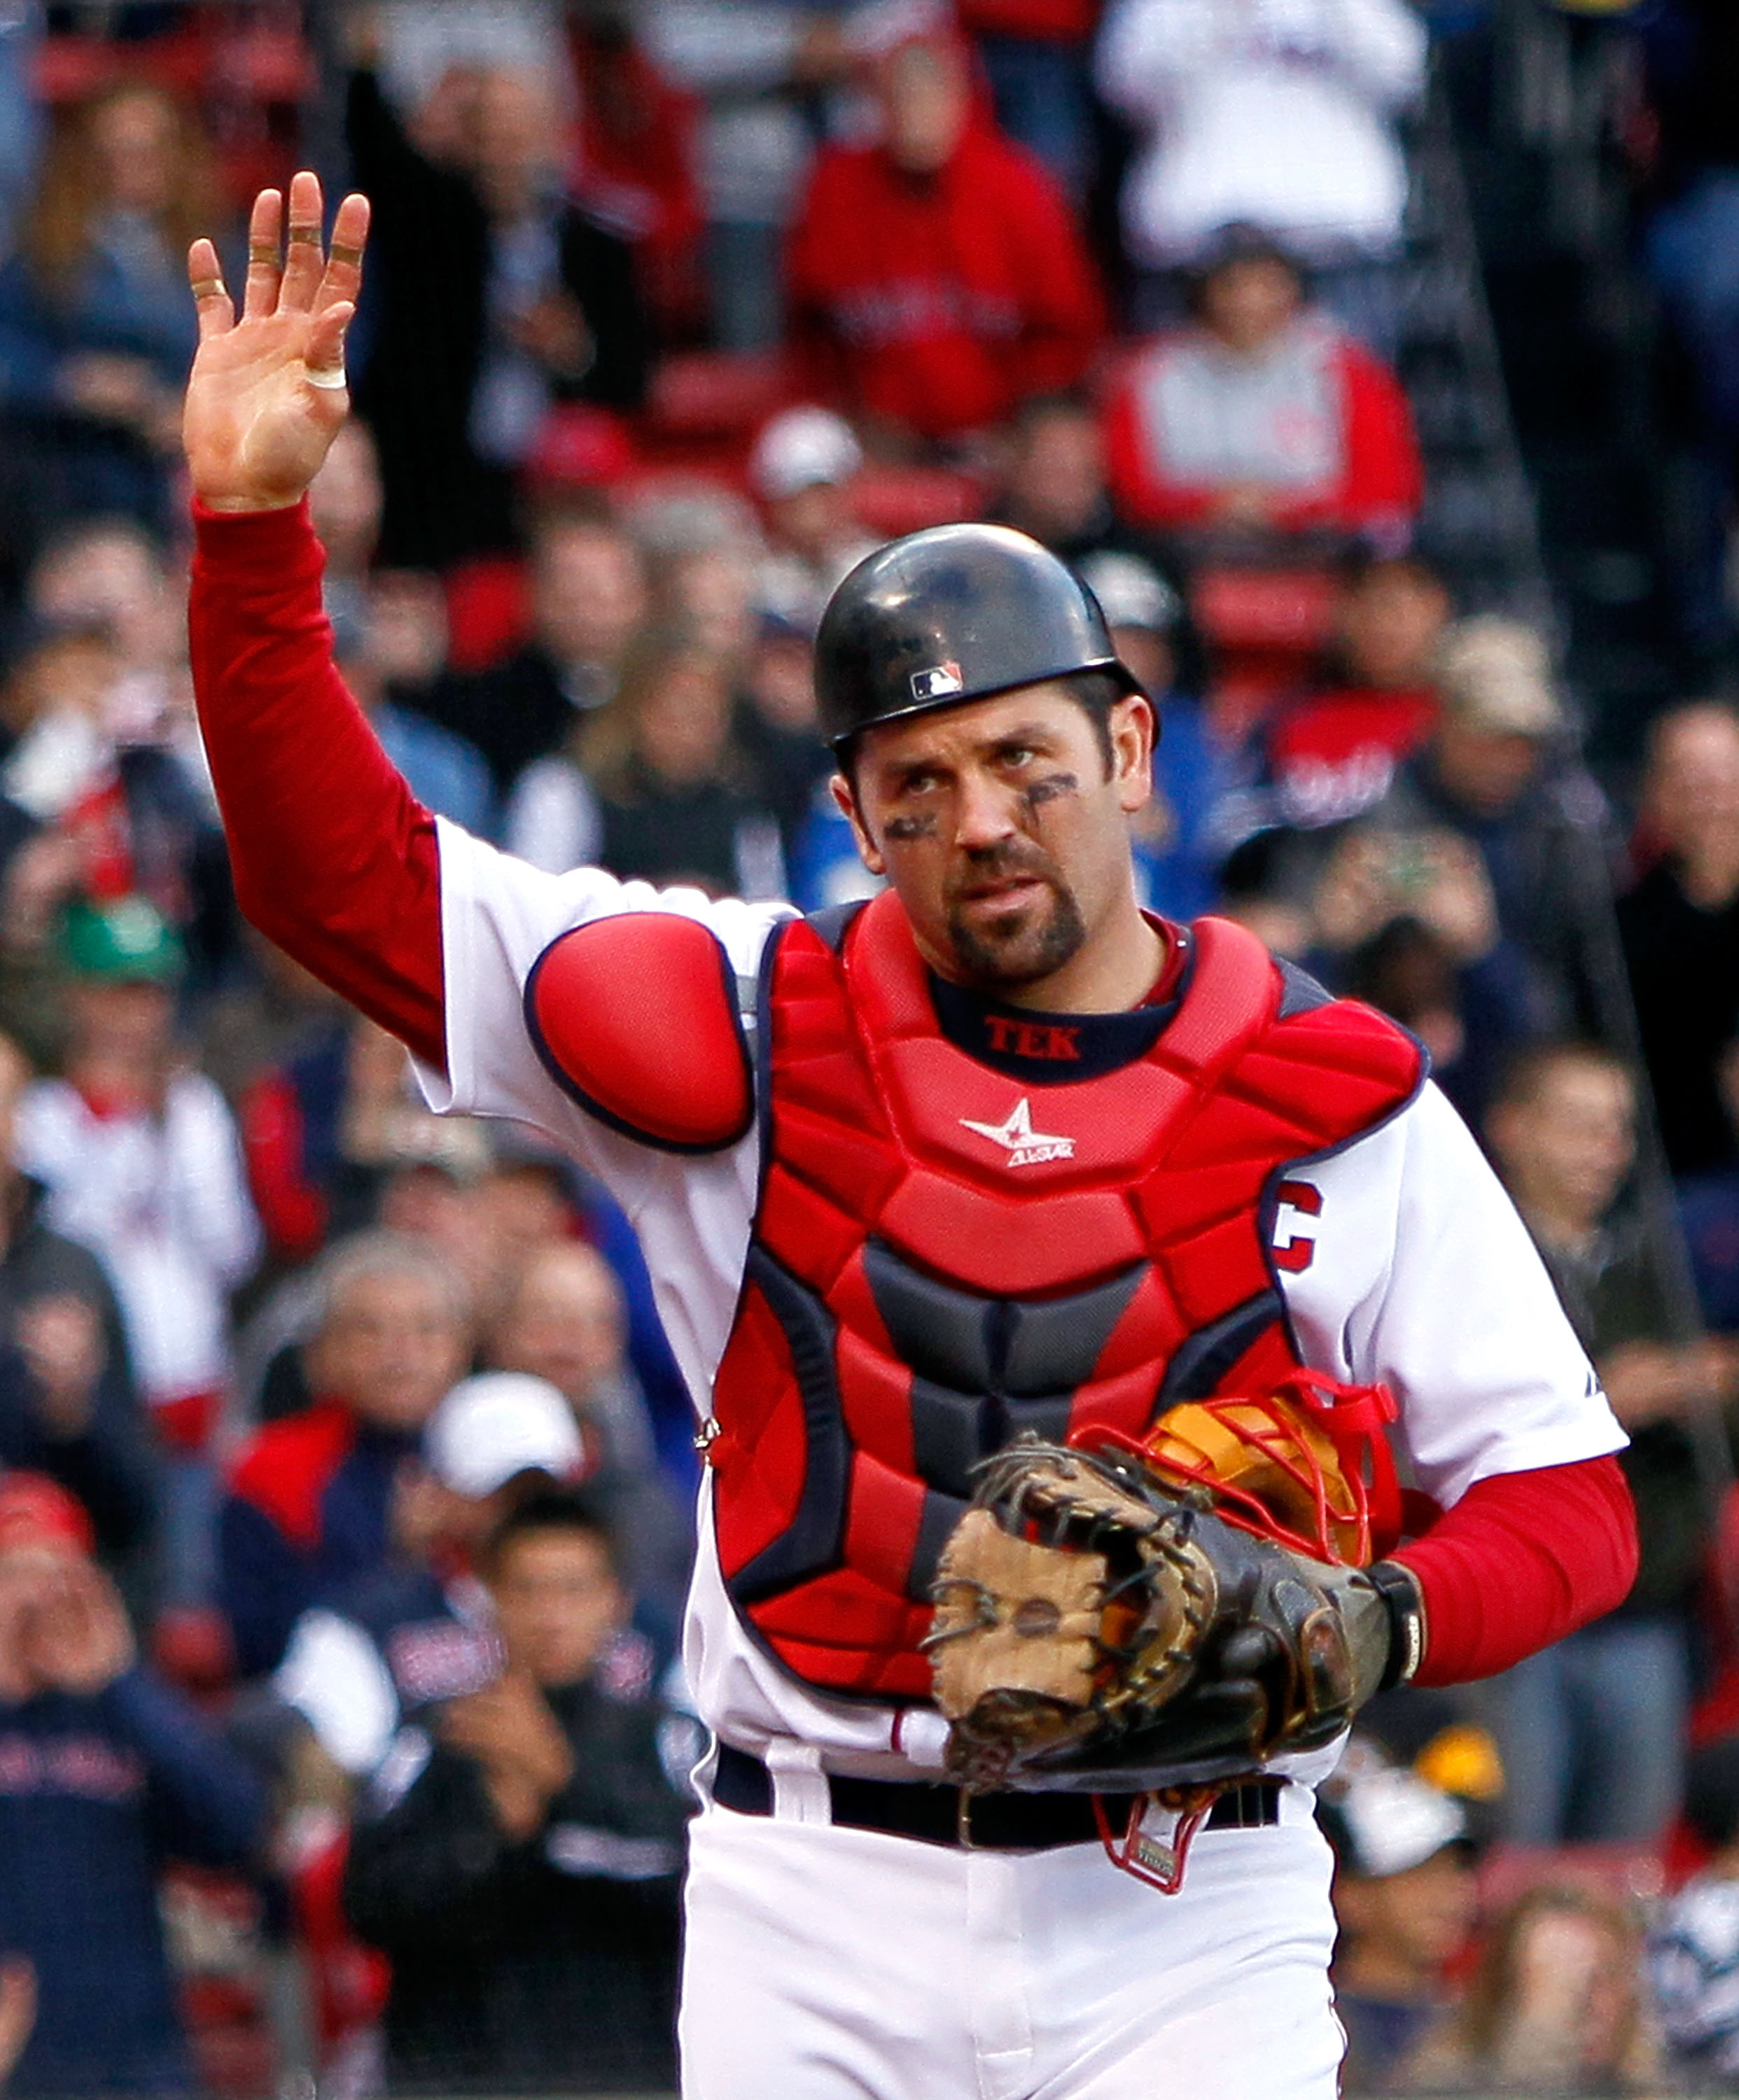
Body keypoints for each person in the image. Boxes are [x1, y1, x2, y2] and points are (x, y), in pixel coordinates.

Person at [179, 172, 1636, 2099]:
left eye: (1029, 757)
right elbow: (333, 885)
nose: (983, 817)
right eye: (919, 782)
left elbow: (1567, 1503)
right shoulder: (737, 1022)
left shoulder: (1329, 1090)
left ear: (1125, 751)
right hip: (817, 1897)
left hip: (1185, 1904)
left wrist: (1376, 1624)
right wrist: (253, 528)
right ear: (858, 821)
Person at [343, 1488, 694, 2094]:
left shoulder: (669, 1743)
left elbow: (696, 1888)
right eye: (528, 1590)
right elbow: (367, 1904)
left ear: (617, 1602)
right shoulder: (435, 1739)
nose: (551, 1614)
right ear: (489, 1602)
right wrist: (495, 1842)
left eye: (573, 1590)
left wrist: (565, 1788)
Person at [1482, 1039, 1716, 1844]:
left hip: (1641, 1611)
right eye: (1581, 1126)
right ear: (1512, 1128)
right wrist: (1603, 1398)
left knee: (1630, 1864)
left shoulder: (1655, 1257)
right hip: (1514, 1617)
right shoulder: (1468, 1255)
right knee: (1514, 1840)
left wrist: (1696, 1377)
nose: (1605, 1152)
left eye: (1617, 1129)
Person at [13, 895, 258, 1602]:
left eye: (149, 992)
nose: (135, 1013)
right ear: (76, 996)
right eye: (117, 992)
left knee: (188, 1597)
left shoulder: (195, 1108)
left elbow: (232, 1249)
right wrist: (124, 1134)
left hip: (192, 1397)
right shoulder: (40, 1115)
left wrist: (165, 1136)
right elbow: (59, 1245)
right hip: (92, 1402)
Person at [0, 1471, 267, 2096]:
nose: (39, 1596)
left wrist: (121, 1684)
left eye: (58, 1571)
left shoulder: (126, 1708)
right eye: (14, 1574)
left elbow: (239, 1829)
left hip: (133, 2062)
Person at [344, 47, 651, 568]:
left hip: (557, 487)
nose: (506, 150)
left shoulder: (598, 251)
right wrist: (368, 54)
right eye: (489, 132)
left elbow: (635, 380)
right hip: (441, 484)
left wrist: (576, 351)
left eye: (521, 131)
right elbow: (374, 150)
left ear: (557, 136)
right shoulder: (428, 232)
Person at [785, 1, 1104, 454]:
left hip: (1002, 435)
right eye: (901, 97)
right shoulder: (835, 188)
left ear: (963, 97)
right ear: (877, 103)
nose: (917, 114)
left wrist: (1018, 425)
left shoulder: (1016, 186)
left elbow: (1066, 332)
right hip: (877, 436)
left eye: (932, 94)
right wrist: (851, 414)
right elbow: (811, 330)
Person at [272, 1368, 587, 1784]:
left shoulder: (646, 1621)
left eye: (541, 1491)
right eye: (498, 1492)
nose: (522, 1511)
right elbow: (331, 1795)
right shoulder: (360, 1627)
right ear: (440, 1492)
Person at [1094, 0, 1427, 345]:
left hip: (1337, 238)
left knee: (1345, 393)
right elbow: (1126, 88)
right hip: (1198, 240)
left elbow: (1403, 76)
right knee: (1178, 394)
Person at [217, 1230, 471, 1678]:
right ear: (321, 1356)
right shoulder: (272, 1473)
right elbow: (267, 1648)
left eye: (427, 1329)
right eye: (371, 1331)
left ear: (461, 1351)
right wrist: (399, 1560)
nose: (402, 1354)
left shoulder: (500, 1452)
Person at [1101, 230, 1423, 547]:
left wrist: (1283, 510)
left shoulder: (1347, 371)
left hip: (1323, 553)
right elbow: (1130, 491)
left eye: (1268, 285)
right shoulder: (1152, 375)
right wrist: (1209, 504)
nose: (1249, 302)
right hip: (1181, 555)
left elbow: (1386, 489)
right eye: (1232, 286)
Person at [1618, 698, 1739, 1177]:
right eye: (1690, 779)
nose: (1710, 799)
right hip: (1676, 1178)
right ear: (1656, 797)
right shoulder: (1622, 927)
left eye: (1725, 779)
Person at [1320, 1751, 1479, 2094]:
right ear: (1350, 1895)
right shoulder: (1317, 2026)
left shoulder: (1479, 2017)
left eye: (1456, 1871)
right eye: (1418, 1875)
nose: (1447, 1895)